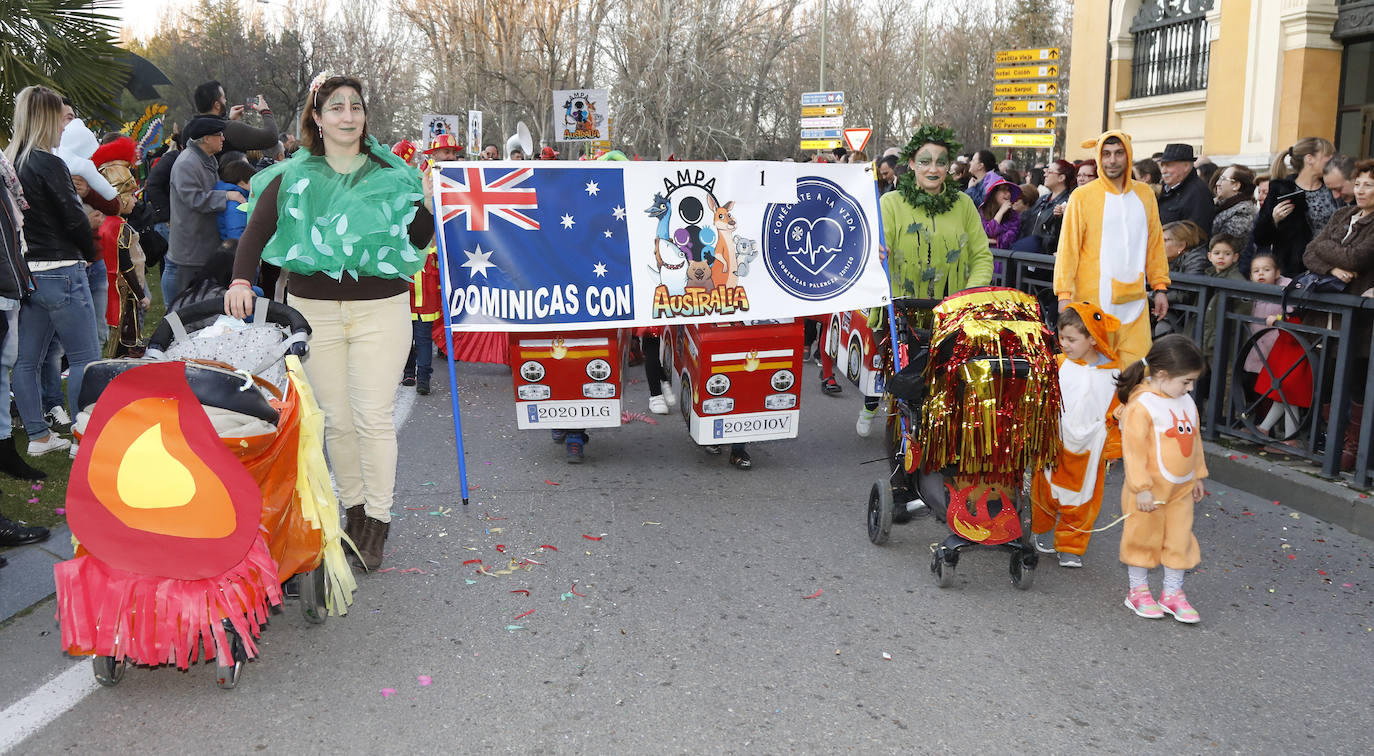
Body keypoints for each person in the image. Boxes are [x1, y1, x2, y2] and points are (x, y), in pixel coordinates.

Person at [225, 73, 434, 571]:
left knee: (372, 417)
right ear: (317, 118)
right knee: (337, 420)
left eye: (355, 107)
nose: (347, 115)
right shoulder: (293, 175)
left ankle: (377, 519)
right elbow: (258, 229)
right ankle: (356, 508)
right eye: (335, 107)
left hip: (380, 308)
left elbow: (418, 237)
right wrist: (238, 281)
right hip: (314, 310)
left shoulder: (392, 171)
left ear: (364, 117)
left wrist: (426, 197)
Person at [860, 124, 993, 436]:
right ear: (911, 164)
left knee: (944, 386)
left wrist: (970, 297)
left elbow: (982, 256)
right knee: (898, 376)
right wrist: (878, 253)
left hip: (950, 312)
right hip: (901, 310)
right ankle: (876, 411)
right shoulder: (890, 203)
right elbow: (878, 247)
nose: (933, 169)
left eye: (941, 162)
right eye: (925, 161)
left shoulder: (964, 205)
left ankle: (935, 443)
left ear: (949, 166)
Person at [4, 85, 102, 458]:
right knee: (84, 359)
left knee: (26, 361)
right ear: (46, 118)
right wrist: (89, 237)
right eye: (62, 118)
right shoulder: (48, 162)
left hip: (27, 274)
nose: (66, 126)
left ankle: (39, 437)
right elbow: (75, 220)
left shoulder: (10, 160)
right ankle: (83, 438)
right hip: (62, 270)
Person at [1055, 130, 1169, 367]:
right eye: (1106, 154)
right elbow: (1068, 248)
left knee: (1134, 373)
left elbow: (1155, 244)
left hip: (1134, 303)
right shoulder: (1082, 196)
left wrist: (1160, 286)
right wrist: (1064, 294)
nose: (1112, 160)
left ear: (1128, 155)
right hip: (1091, 303)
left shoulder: (1145, 195)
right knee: (1091, 374)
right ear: (1098, 157)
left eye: (1118, 153)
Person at [1116, 334, 1208, 623]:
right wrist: (1141, 488)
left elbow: (1195, 440)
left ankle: (1172, 593)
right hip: (1148, 492)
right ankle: (1138, 591)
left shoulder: (1184, 401)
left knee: (1180, 539)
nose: (1190, 387)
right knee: (1142, 538)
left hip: (1180, 488)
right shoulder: (1141, 406)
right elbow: (1133, 451)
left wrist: (1198, 475)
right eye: (1186, 381)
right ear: (1163, 374)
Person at [1030, 302, 1122, 568]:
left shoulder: (1113, 375)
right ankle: (1042, 530)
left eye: (1071, 339)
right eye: (1061, 338)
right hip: (1055, 440)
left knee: (1084, 498)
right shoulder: (1057, 365)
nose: (1064, 344)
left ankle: (1071, 545)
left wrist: (1113, 450)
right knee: (1045, 489)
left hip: (1092, 447)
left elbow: (1115, 413)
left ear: (1092, 338)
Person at [168, 116, 246, 303]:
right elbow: (194, 198)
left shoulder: (206, 159)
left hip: (205, 243)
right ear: (205, 138)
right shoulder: (187, 163)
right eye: (219, 135)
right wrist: (226, 196)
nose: (223, 139)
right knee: (190, 301)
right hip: (191, 248)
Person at [1253, 136, 1337, 277]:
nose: (1332, 160)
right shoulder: (1281, 190)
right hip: (1294, 274)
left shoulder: (1333, 189)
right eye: (1327, 156)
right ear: (1309, 159)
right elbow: (1260, 238)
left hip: (1330, 270)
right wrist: (1274, 220)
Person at [191, 80, 279, 154]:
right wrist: (265, 111)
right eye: (224, 98)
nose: (225, 101)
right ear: (217, 105)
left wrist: (229, 120)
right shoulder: (229, 128)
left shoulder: (189, 130)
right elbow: (271, 137)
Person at [1014, 158, 1073, 254]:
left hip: (1045, 257)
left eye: (1049, 172)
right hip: (1028, 253)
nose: (1045, 174)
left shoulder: (1068, 202)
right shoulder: (1043, 199)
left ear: (1061, 178)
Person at [1156, 143, 1215, 236]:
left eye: (1169, 165)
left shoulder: (1198, 193)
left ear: (1186, 166)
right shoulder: (1166, 188)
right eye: (1162, 166)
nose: (1163, 170)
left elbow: (1197, 234)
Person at [1210, 164, 1257, 250]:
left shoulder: (1244, 212)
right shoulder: (1222, 204)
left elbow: (1225, 245)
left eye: (1223, 179)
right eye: (1219, 178)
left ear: (1236, 185)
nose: (1217, 183)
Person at [215, 157, 255, 241]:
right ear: (242, 182)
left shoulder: (240, 197)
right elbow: (236, 235)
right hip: (240, 250)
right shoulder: (235, 204)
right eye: (252, 180)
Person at [979, 178, 1021, 249]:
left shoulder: (1013, 215)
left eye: (1008, 190)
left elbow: (1009, 240)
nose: (1007, 193)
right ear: (994, 193)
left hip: (1002, 257)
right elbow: (986, 233)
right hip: (982, 254)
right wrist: (1000, 212)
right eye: (1003, 189)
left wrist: (991, 241)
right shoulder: (983, 211)